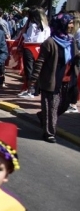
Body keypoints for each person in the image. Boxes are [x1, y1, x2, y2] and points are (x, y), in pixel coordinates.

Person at [30, 13, 79, 143]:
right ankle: (49, 133)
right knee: (52, 108)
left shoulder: (71, 40)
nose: (72, 26)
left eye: (72, 23)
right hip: (52, 81)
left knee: (64, 105)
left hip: (69, 80)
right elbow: (40, 61)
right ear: (61, 24)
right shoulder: (50, 42)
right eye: (69, 23)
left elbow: (74, 57)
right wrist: (34, 80)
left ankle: (43, 116)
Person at [18, 7, 50, 98]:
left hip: (30, 46)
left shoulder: (33, 24)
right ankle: (36, 90)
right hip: (40, 47)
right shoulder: (45, 25)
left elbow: (30, 38)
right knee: (37, 69)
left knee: (29, 69)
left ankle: (30, 90)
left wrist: (23, 33)